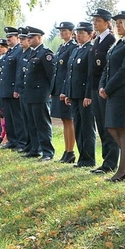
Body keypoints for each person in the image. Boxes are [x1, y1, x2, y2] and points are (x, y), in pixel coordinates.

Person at [99, 11, 125, 182]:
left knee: (124, 129)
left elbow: (124, 70)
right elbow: (107, 68)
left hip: (124, 92)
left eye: (121, 23)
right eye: (116, 24)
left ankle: (123, 170)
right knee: (111, 128)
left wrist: (108, 88)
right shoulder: (117, 43)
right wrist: (102, 85)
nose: (118, 26)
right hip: (112, 91)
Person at [86, 9, 118, 174]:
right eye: (94, 21)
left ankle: (111, 162)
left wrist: (103, 86)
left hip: (104, 88)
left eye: (98, 20)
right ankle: (106, 160)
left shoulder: (111, 40)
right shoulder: (97, 40)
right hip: (94, 87)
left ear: (107, 23)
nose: (95, 23)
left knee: (108, 125)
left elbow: (108, 67)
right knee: (100, 125)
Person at [62, 22, 97, 167]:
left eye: (82, 33)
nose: (79, 35)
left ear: (90, 34)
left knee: (87, 128)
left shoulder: (90, 50)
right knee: (78, 126)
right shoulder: (77, 50)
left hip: (84, 95)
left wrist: (88, 95)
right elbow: (70, 74)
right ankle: (82, 156)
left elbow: (90, 75)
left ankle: (88, 158)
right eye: (78, 33)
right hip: (75, 94)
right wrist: (68, 93)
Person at [23, 26, 56, 161]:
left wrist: (50, 92)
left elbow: (51, 75)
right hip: (30, 93)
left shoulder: (45, 53)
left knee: (42, 124)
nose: (29, 40)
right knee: (32, 123)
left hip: (40, 93)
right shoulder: (32, 53)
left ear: (39, 37)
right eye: (28, 37)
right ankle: (35, 149)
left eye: (31, 37)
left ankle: (47, 152)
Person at [51, 21, 78, 162]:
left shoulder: (73, 47)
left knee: (69, 120)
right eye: (60, 30)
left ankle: (70, 151)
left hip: (65, 88)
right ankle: (67, 151)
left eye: (65, 30)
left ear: (71, 32)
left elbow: (69, 72)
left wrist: (65, 90)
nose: (62, 33)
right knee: (64, 120)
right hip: (58, 88)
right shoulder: (62, 47)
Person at [0, 27, 27, 150]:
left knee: (17, 117)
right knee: (9, 117)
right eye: (7, 37)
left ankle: (21, 142)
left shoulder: (19, 51)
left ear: (17, 38)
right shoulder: (10, 52)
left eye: (11, 37)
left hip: (13, 90)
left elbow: (18, 72)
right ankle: (12, 140)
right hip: (6, 90)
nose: (8, 39)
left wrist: (17, 88)